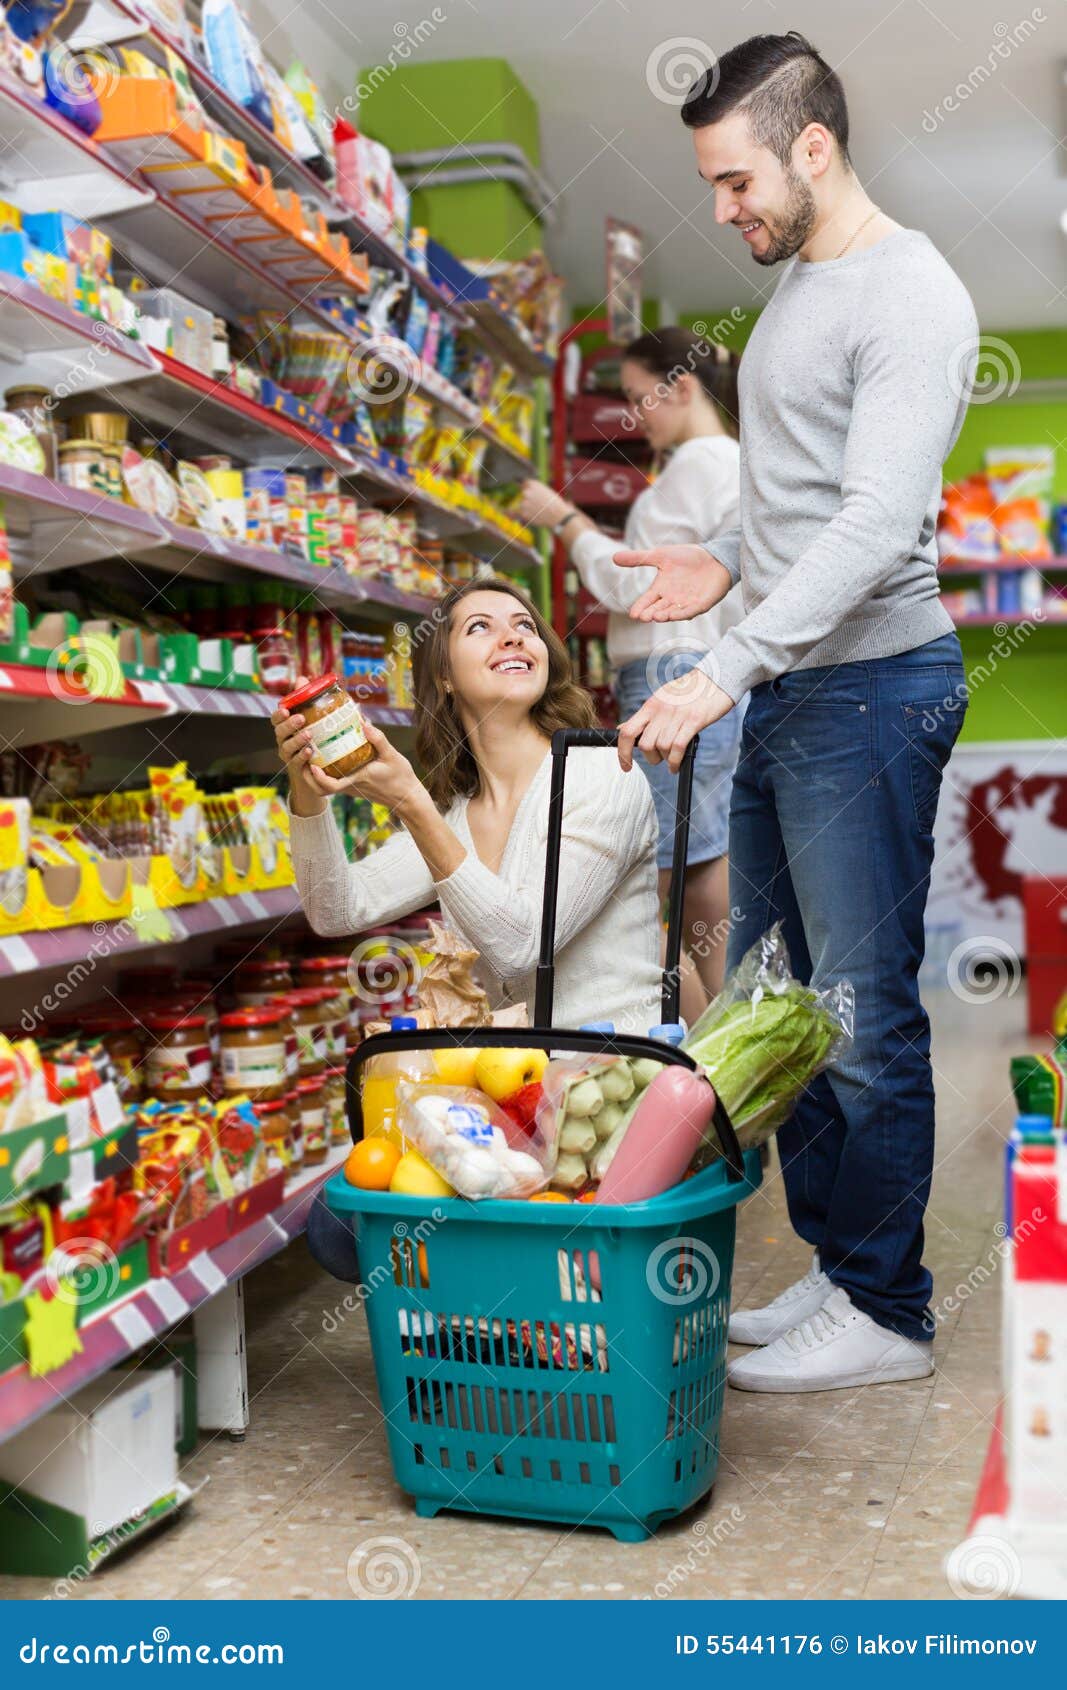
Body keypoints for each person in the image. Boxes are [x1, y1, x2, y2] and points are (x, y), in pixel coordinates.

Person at [615, 32, 977, 1393]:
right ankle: (835, 1264)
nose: (721, 211)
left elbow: (881, 522)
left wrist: (730, 657)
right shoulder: (797, 295)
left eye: (730, 181)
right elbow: (812, 512)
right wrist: (727, 571)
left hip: (867, 688)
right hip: (794, 683)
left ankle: (884, 1307)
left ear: (808, 148)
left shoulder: (909, 291)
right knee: (783, 1009)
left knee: (857, 1007)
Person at [274, 577, 664, 1280]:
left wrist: (411, 806)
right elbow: (337, 909)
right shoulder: (459, 809)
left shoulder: (601, 773)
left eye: (523, 623)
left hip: (604, 1096)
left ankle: (513, 1319)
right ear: (444, 680)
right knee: (337, 1227)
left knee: (408, 1234)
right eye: (479, 628)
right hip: (511, 1092)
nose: (514, 634)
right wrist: (307, 787)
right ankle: (495, 1328)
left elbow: (520, 942)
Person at [519, 327, 744, 1011]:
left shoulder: (699, 466)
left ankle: (706, 1054)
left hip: (669, 669)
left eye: (635, 397)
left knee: (669, 871)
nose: (631, 415)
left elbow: (632, 588)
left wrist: (564, 521)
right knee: (699, 854)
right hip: (704, 671)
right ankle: (723, 1041)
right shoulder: (728, 465)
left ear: (677, 387)